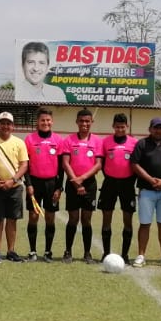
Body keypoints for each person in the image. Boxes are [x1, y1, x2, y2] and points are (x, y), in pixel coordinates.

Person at [131, 117, 161, 268]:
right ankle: (141, 255)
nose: (158, 130)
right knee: (145, 223)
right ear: (150, 129)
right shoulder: (142, 144)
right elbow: (134, 164)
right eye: (155, 127)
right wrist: (150, 180)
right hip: (146, 191)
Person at [0, 112, 29, 263]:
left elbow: (24, 165)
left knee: (12, 219)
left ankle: (11, 251)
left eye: (8, 123)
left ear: (13, 126)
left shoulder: (19, 143)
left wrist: (12, 180)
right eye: (2, 123)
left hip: (15, 187)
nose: (5, 126)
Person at [61, 109, 102, 263]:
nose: (84, 124)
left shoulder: (97, 141)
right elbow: (65, 163)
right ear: (77, 122)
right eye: (82, 121)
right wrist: (76, 181)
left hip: (90, 184)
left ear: (92, 122)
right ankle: (68, 252)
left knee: (86, 219)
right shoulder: (69, 140)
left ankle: (87, 253)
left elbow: (98, 164)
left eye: (87, 121)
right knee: (73, 218)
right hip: (72, 183)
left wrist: (83, 179)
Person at [24, 107, 63, 262]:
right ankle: (32, 251)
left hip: (52, 184)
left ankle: (48, 252)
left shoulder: (58, 140)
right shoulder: (29, 139)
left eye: (48, 120)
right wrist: (28, 184)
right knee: (33, 217)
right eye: (42, 120)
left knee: (50, 218)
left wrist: (59, 188)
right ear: (37, 122)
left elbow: (61, 167)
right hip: (34, 183)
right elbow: (25, 164)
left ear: (52, 122)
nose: (45, 123)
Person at [99, 114, 137, 260]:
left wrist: (130, 180)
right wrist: (110, 175)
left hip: (128, 184)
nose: (120, 129)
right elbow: (102, 163)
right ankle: (106, 253)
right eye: (117, 127)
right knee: (106, 218)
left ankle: (125, 254)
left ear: (127, 126)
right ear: (113, 127)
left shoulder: (134, 143)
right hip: (109, 183)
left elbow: (136, 165)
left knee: (127, 220)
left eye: (122, 127)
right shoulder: (106, 142)